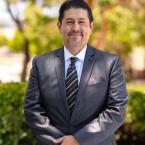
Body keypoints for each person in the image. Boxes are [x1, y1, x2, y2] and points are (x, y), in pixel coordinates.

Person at [24, 0, 128, 145]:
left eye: (81, 22)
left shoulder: (110, 63)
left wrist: (78, 139)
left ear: (91, 26)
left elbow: (117, 110)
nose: (76, 28)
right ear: (59, 26)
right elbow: (32, 109)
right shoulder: (40, 63)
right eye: (69, 22)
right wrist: (61, 141)